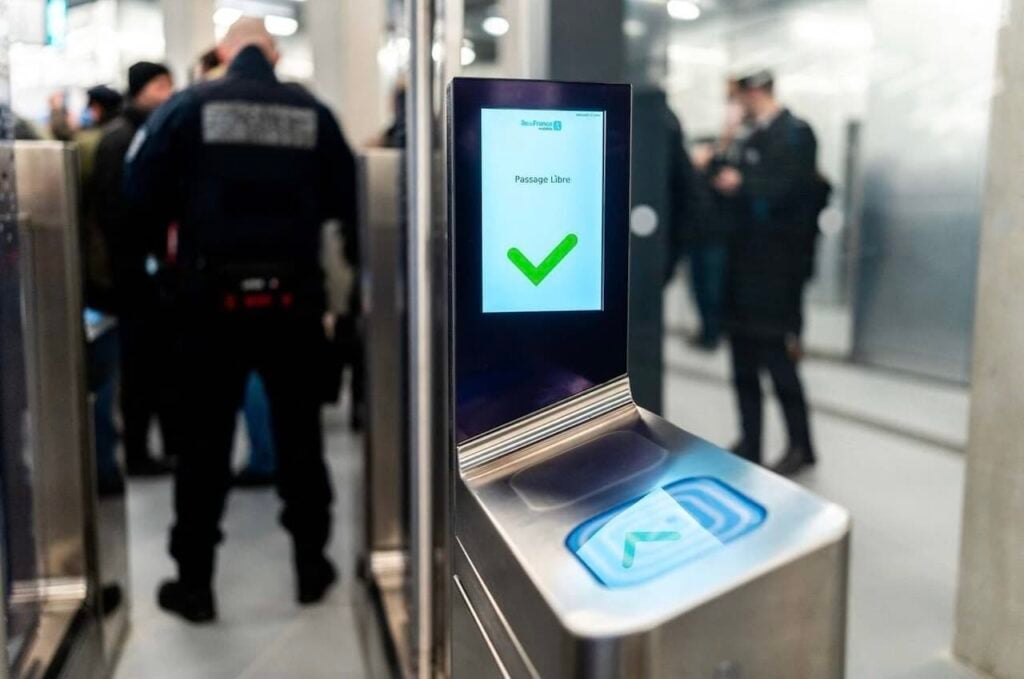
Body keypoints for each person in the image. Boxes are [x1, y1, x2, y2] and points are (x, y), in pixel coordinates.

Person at [125, 17, 358, 623]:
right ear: (274, 53)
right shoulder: (313, 114)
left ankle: (195, 584)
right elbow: (348, 199)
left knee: (203, 446)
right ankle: (311, 567)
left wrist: (173, 262)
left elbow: (137, 189)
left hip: (209, 306)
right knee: (300, 440)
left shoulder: (188, 107)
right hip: (293, 304)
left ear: (227, 53)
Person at [711, 70, 824, 476]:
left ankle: (800, 444)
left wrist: (743, 184)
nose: (736, 106)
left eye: (739, 97)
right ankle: (751, 439)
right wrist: (726, 141)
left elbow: (790, 192)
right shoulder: (748, 136)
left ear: (755, 92)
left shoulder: (795, 134)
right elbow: (716, 177)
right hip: (742, 266)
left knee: (777, 359)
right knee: (741, 359)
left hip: (778, 271)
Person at [92, 62, 177, 477]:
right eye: (161, 85)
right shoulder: (121, 140)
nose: (168, 93)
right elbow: (114, 213)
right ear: (141, 90)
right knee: (139, 366)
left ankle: (156, 446)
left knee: (155, 365)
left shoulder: (146, 134)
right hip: (132, 275)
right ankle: (139, 452)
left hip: (147, 271)